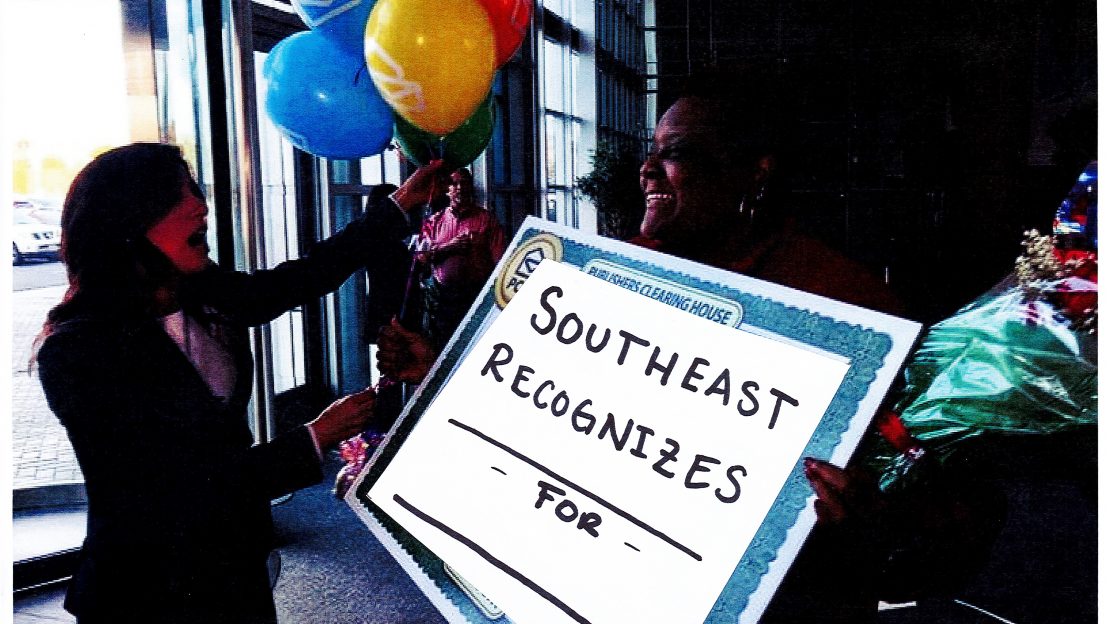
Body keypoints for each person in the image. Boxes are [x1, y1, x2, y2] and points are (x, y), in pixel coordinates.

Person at [379, 92, 1004, 621]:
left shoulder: (846, 309)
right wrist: (439, 369)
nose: (647, 170)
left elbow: (956, 517)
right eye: (650, 151)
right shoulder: (620, 273)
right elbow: (551, 406)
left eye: (674, 152)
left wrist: (878, 516)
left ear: (753, 172)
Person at [33, 143, 439, 623]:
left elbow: (294, 282)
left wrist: (395, 208)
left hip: (231, 563)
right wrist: (316, 437)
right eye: (181, 194)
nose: (200, 205)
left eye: (196, 189)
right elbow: (177, 491)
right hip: (146, 589)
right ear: (128, 223)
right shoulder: (77, 352)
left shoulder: (196, 287)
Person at [415, 167, 507, 348]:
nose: (459, 187)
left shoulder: (487, 220)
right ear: (446, 190)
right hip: (443, 300)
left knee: (475, 347)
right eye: (454, 183)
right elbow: (421, 258)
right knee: (443, 348)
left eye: (464, 183)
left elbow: (501, 263)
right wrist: (450, 247)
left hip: (475, 296)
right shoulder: (434, 221)